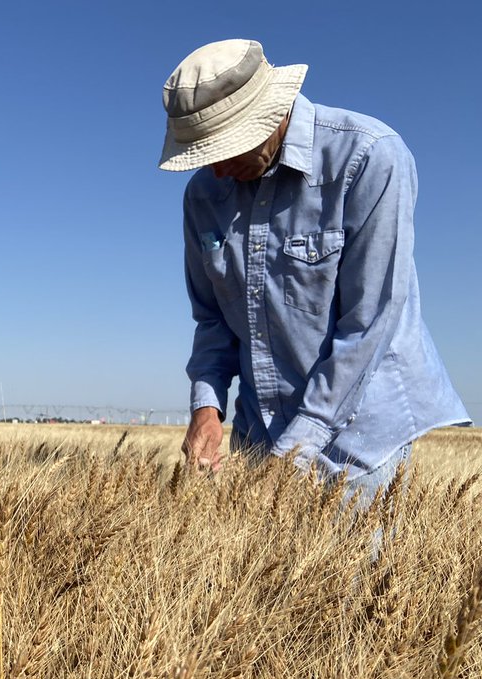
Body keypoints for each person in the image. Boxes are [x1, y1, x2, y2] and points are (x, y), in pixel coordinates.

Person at [159, 39, 469, 504]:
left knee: (356, 576)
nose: (218, 171)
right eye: (205, 155)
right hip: (259, 429)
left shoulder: (368, 158)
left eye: (226, 149)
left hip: (359, 441)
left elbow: (370, 323)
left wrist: (296, 452)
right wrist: (207, 404)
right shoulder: (204, 196)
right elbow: (212, 319)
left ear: (272, 112)